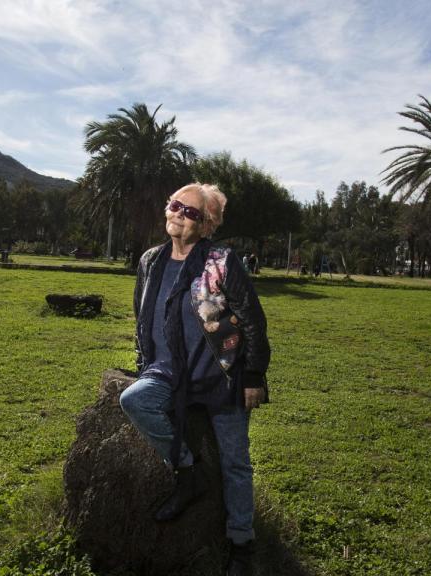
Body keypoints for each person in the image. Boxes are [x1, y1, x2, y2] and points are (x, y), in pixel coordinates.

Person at [120, 183, 270, 576]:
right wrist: (142, 360)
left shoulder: (221, 261)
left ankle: (242, 545)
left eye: (190, 212)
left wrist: (253, 375)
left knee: (237, 464)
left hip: (221, 375)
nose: (178, 214)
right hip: (166, 370)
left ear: (207, 226)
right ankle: (187, 473)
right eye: (174, 205)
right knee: (133, 400)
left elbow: (252, 319)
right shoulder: (150, 260)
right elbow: (142, 313)